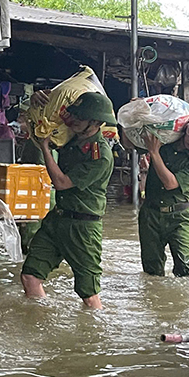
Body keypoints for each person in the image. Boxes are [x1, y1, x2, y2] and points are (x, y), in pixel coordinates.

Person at [20, 92, 115, 309]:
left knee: (89, 294)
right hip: (57, 219)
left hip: (83, 227)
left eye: (80, 119)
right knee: (30, 276)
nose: (73, 121)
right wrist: (35, 105)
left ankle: (92, 335)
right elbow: (42, 122)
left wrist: (45, 149)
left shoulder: (100, 155)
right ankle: (41, 325)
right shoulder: (68, 136)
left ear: (95, 123)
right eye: (74, 116)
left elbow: (62, 183)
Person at [125, 110, 189, 277]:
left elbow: (170, 183)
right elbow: (128, 143)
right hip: (151, 214)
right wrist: (133, 116)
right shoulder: (165, 138)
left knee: (185, 268)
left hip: (179, 217)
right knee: (151, 271)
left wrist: (154, 154)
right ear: (188, 128)